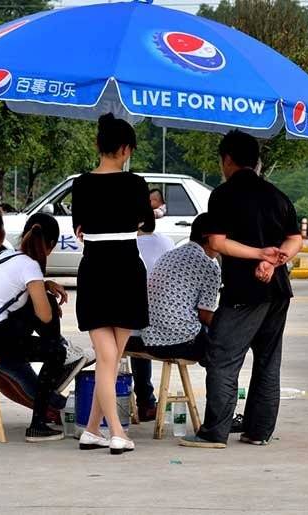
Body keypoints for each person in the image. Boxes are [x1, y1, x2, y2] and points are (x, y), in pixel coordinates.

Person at [181, 131, 303, 449]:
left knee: (222, 357)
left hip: (245, 292)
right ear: (257, 161)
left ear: (228, 160)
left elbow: (218, 242)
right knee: (267, 361)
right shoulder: (277, 195)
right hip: (278, 292)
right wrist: (275, 260)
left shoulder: (223, 195)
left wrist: (262, 256)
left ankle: (214, 432)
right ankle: (258, 431)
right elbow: (295, 239)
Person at [0, 209, 86, 442]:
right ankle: (38, 424)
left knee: (38, 315)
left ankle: (61, 352)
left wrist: (44, 286)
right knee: (54, 350)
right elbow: (44, 317)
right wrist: (46, 296)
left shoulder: (8, 257)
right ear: (52, 245)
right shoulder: (29, 267)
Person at [72, 113, 150, 454]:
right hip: (127, 271)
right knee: (110, 357)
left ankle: (91, 429)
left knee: (110, 358)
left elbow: (80, 227)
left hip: (94, 271)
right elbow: (147, 223)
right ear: (125, 149)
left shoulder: (80, 184)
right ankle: (116, 430)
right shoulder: (135, 184)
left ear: (98, 145)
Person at [127, 213, 220, 364]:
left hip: (150, 340)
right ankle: (221, 387)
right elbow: (205, 316)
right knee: (224, 342)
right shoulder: (210, 265)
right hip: (181, 344)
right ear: (209, 237)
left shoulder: (169, 255)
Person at [130, 210, 175, 421]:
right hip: (169, 330)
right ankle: (147, 403)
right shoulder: (166, 242)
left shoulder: (126, 244)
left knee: (133, 332)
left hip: (131, 334)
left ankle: (146, 402)